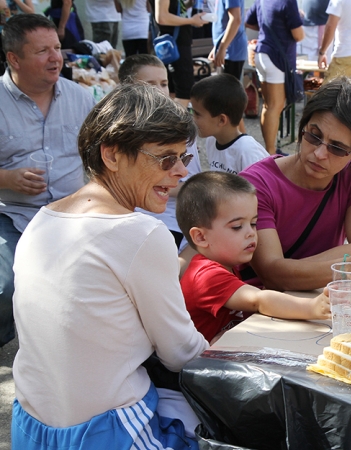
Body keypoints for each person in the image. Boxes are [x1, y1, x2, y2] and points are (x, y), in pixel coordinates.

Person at [12, 83, 209, 449]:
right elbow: (182, 354)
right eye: (166, 158)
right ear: (113, 155)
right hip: (107, 432)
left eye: (183, 157)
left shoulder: (43, 219)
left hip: (31, 427)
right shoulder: (141, 233)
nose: (181, 171)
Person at [239, 77, 351, 291]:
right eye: (314, 136)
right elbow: (272, 275)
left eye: (337, 148)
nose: (319, 154)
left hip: (320, 299)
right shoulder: (256, 185)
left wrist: (289, 270)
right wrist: (346, 267)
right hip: (259, 311)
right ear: (303, 126)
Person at [0, 14, 94, 348]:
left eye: (57, 47)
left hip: (74, 214)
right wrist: (7, 178)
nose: (56, 57)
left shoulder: (80, 97)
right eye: (43, 51)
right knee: (5, 286)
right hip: (13, 214)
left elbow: (100, 157)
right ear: (14, 59)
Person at [176, 171, 330, 344]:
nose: (251, 233)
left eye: (253, 223)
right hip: (201, 366)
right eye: (237, 226)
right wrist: (312, 307)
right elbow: (258, 301)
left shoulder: (226, 263)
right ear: (201, 237)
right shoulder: (206, 275)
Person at [118, 54, 202, 249]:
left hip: (170, 221)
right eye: (150, 84)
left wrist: (148, 184)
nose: (160, 91)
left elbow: (190, 185)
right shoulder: (121, 129)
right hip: (128, 216)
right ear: (126, 89)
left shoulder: (179, 128)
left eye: (164, 84)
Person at [245, 0, 304, 156]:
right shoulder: (288, 2)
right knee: (275, 107)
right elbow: (299, 35)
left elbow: (249, 22)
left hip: (262, 53)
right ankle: (270, 152)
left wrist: (270, 28)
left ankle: (269, 150)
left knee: (268, 106)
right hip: (277, 57)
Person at [190, 73, 268, 175]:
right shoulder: (212, 140)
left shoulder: (248, 152)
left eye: (197, 114)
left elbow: (263, 189)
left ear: (222, 120)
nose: (193, 119)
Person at [152, 0, 207, 108]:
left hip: (176, 45)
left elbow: (172, 11)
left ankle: (169, 123)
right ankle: (173, 124)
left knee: (172, 91)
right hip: (175, 46)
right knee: (185, 92)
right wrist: (191, 20)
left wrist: (188, 4)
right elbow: (162, 17)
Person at [209, 0, 246, 80]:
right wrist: (217, 46)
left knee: (228, 90)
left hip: (231, 50)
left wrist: (222, 48)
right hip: (226, 48)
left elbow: (235, 20)